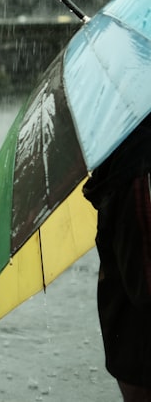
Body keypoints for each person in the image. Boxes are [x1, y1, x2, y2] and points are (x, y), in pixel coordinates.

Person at [83, 115, 151, 401]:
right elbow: (146, 285)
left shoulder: (123, 149)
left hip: (129, 348)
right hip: (140, 356)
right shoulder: (139, 170)